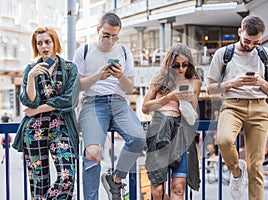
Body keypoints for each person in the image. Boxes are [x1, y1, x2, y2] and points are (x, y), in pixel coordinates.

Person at [206, 15, 268, 200]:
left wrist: (260, 82)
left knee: (255, 167)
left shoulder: (267, 55)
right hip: (232, 105)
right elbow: (209, 88)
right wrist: (231, 83)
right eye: (247, 40)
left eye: (256, 42)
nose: (250, 45)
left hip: (259, 108)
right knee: (223, 140)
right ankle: (236, 173)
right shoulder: (224, 54)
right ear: (239, 32)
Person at [72, 12, 146, 200]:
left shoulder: (123, 52)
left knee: (139, 138)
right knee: (93, 152)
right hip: (93, 102)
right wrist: (98, 75)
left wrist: (120, 76)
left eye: (115, 36)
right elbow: (77, 86)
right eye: (106, 35)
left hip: (119, 102)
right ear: (98, 30)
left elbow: (130, 88)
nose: (110, 40)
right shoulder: (84, 51)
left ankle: (116, 179)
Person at [12, 26, 80, 200]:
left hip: (62, 127)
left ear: (55, 42)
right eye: (39, 43)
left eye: (47, 42)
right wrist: (31, 79)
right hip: (34, 130)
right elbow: (29, 101)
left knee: (67, 177)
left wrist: (39, 109)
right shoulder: (31, 68)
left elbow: (69, 100)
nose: (44, 46)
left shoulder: (70, 68)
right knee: (38, 183)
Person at [142, 43, 201, 199]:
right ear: (169, 64)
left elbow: (193, 110)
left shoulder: (194, 82)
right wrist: (169, 97)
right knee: (158, 191)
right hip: (159, 131)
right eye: (176, 65)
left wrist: (189, 97)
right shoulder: (159, 80)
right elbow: (145, 108)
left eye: (185, 65)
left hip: (181, 133)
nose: (181, 69)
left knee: (179, 188)